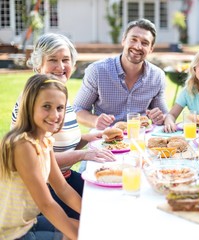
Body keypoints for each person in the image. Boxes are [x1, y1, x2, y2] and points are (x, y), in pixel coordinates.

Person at [11, 33, 116, 220]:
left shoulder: (57, 96)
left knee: (111, 199)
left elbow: (63, 145)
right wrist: (83, 155)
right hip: (43, 188)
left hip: (63, 178)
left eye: (65, 60)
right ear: (38, 65)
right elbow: (35, 160)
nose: (60, 67)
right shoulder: (31, 102)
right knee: (100, 214)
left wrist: (93, 136)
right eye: (53, 60)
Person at [1, 74, 81, 239]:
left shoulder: (45, 140)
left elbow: (62, 188)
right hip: (9, 233)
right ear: (30, 106)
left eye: (60, 108)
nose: (54, 115)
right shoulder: (22, 145)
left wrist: (91, 216)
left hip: (27, 222)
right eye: (46, 106)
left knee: (85, 227)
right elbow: (46, 204)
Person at [73, 18, 168, 130]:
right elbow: (78, 109)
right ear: (123, 40)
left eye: (145, 43)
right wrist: (95, 121)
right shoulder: (98, 71)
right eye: (133, 39)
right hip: (104, 139)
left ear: (151, 49)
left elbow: (165, 115)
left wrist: (160, 118)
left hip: (139, 139)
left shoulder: (157, 76)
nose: (138, 46)